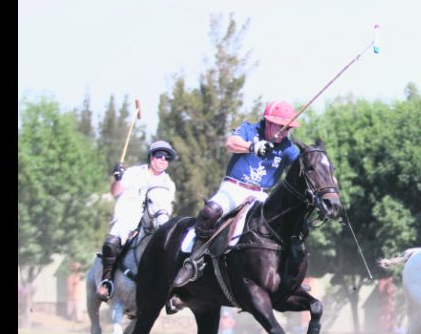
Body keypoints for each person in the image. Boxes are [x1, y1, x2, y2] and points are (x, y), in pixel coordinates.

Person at [172, 100, 301, 288]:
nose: (284, 132)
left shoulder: (288, 147)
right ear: (269, 122)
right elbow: (230, 143)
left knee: (287, 226)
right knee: (210, 212)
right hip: (234, 187)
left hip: (261, 195)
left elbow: (305, 164)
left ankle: (289, 275)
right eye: (281, 126)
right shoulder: (249, 129)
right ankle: (193, 262)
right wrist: (252, 147)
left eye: (287, 128)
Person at [95, 141, 177, 301]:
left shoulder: (168, 184)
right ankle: (107, 281)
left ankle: (170, 291)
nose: (163, 160)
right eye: (159, 156)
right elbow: (115, 192)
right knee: (112, 242)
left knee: (172, 249)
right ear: (151, 157)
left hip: (154, 223)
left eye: (167, 158)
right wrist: (118, 178)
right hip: (128, 216)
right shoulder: (133, 173)